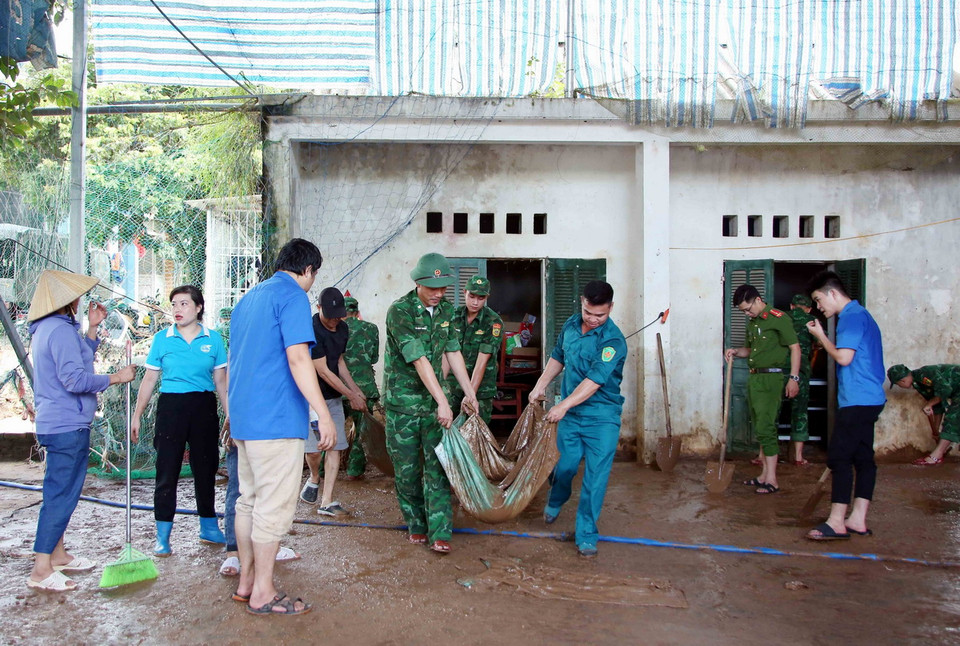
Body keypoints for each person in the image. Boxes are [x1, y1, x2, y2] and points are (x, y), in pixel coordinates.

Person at [229, 238, 336, 616]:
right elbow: (297, 358)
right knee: (272, 509)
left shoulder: (247, 299)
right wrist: (322, 413)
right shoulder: (292, 296)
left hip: (244, 419)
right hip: (274, 420)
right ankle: (262, 592)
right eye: (313, 276)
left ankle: (245, 583)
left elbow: (237, 360)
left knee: (249, 502)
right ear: (308, 271)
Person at [26, 270, 137, 591]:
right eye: (76, 296)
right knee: (61, 496)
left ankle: (57, 555)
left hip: (58, 422)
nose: (80, 300)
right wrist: (115, 378)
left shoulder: (52, 329)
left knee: (58, 492)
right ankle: (41, 569)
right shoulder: (58, 332)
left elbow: (80, 360)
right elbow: (74, 380)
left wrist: (92, 328)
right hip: (66, 425)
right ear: (66, 300)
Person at [383, 252, 478, 554]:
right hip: (404, 407)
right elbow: (419, 359)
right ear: (417, 283)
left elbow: (452, 351)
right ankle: (416, 526)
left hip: (435, 406)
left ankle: (440, 532)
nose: (438, 294)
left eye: (443, 288)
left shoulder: (448, 310)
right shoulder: (400, 311)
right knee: (408, 472)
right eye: (432, 288)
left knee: (438, 467)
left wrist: (468, 391)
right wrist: (442, 400)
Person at [528, 280, 626, 558]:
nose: (594, 320)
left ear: (611, 308)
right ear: (581, 302)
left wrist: (564, 405)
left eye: (601, 315)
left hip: (602, 418)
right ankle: (557, 497)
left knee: (595, 479)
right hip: (571, 416)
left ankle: (586, 534)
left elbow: (595, 380)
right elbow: (558, 356)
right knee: (565, 467)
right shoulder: (571, 325)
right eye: (588, 313)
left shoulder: (613, 340)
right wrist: (540, 385)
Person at [132, 285, 229, 556]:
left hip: (203, 407)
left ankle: (208, 526)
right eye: (174, 304)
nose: (177, 309)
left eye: (184, 304)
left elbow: (221, 381)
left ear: (199, 308)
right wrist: (137, 415)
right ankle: (162, 535)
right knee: (167, 471)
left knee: (205, 469)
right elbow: (150, 379)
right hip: (171, 407)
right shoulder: (162, 339)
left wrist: (230, 414)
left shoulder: (215, 339)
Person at [805, 271, 885, 540]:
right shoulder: (863, 315)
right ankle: (857, 519)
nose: (818, 307)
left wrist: (820, 336)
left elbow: (843, 357)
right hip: (870, 398)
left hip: (858, 399)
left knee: (839, 457)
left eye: (818, 300)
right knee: (863, 459)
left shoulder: (850, 317)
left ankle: (837, 521)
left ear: (833, 294)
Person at [725, 285, 800, 494]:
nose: (747, 313)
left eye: (748, 309)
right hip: (755, 377)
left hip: (771, 378)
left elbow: (795, 347)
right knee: (760, 426)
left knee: (766, 427)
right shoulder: (754, 323)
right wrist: (735, 351)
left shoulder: (779, 318)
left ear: (758, 300)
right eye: (743, 311)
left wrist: (793, 378)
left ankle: (772, 480)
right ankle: (764, 476)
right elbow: (750, 350)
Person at [299, 287, 367, 516]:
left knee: (336, 445)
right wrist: (351, 395)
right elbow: (323, 371)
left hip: (333, 397)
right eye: (330, 316)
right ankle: (315, 476)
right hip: (310, 398)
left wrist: (356, 390)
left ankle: (326, 501)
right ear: (319, 308)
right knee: (315, 450)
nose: (334, 322)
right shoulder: (310, 329)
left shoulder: (343, 328)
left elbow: (338, 362)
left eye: (338, 316)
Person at [445, 275, 503, 424]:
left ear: (486, 298)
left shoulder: (493, 321)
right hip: (452, 386)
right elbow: (445, 353)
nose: (475, 302)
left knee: (475, 434)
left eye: (481, 298)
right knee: (446, 431)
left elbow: (482, 361)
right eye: (471, 296)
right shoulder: (453, 316)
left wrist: (471, 395)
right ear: (464, 292)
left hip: (481, 389)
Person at [887, 363, 960, 466]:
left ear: (902, 380)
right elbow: (937, 406)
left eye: (898, 384)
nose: (900, 386)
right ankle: (940, 451)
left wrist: (929, 404)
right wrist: (936, 431)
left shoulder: (924, 374)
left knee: (953, 418)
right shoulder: (919, 384)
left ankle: (936, 456)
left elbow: (945, 390)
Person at [341, 295, 380, 480]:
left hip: (338, 389)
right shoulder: (371, 329)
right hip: (365, 390)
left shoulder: (335, 328)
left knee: (332, 430)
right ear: (357, 312)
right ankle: (354, 471)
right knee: (361, 432)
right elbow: (374, 358)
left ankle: (324, 470)